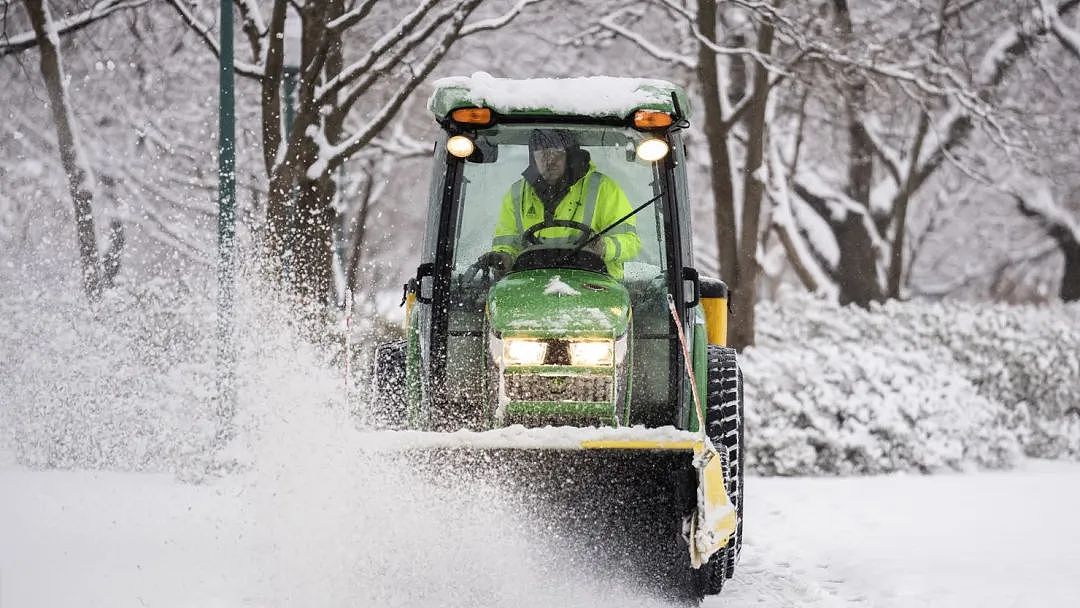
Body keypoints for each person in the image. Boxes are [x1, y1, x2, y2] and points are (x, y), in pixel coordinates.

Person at [475, 129, 641, 279]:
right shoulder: (517, 194)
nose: (550, 161)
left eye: (557, 152)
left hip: (598, 286)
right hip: (530, 286)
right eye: (542, 153)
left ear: (569, 155)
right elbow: (507, 244)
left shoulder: (603, 189)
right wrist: (503, 257)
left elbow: (631, 243)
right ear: (532, 158)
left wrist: (605, 247)